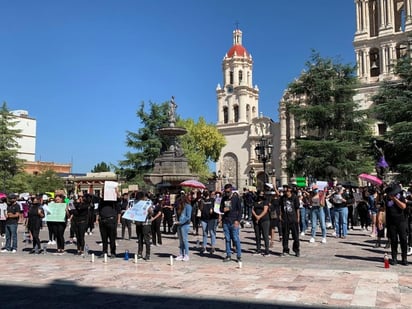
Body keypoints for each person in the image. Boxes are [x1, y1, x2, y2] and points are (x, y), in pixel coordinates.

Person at [384, 183, 408, 266]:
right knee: (393, 240)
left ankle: (404, 258)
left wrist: (394, 199)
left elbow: (403, 206)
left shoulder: (401, 196)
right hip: (391, 222)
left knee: (403, 240)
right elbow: (385, 210)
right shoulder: (386, 198)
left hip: (401, 221)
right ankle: (394, 258)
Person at [220, 183, 242, 262]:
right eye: (225, 192)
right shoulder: (224, 198)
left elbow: (240, 211)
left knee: (235, 239)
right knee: (227, 239)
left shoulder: (236, 199)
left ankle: (239, 256)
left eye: (228, 192)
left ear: (231, 190)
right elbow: (220, 209)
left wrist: (238, 221)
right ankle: (228, 255)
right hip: (226, 221)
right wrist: (223, 210)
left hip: (234, 221)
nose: (227, 193)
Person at [279, 185, 300, 257]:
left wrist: (298, 218)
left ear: (290, 190)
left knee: (296, 237)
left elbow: (297, 208)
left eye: (287, 190)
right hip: (285, 219)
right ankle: (285, 250)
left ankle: (296, 249)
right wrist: (280, 216)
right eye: (284, 191)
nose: (285, 192)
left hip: (293, 219)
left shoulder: (295, 197)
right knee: (285, 236)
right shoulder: (282, 198)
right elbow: (281, 207)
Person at [134, 191, 153, 261]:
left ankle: (147, 254)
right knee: (139, 239)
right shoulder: (136, 202)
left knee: (147, 239)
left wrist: (149, 210)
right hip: (138, 223)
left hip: (146, 223)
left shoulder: (148, 202)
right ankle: (139, 253)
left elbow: (152, 212)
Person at [251, 190, 270, 256]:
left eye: (262, 194)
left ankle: (267, 250)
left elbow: (265, 210)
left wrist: (259, 216)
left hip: (264, 220)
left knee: (265, 235)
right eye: (260, 194)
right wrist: (256, 216)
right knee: (257, 235)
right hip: (256, 220)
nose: (261, 196)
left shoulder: (265, 201)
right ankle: (258, 249)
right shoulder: (255, 201)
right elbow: (252, 209)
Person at [175, 193, 192, 262]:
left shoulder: (188, 206)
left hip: (185, 225)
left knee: (185, 240)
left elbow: (188, 217)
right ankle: (181, 254)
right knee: (181, 240)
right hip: (179, 224)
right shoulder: (179, 207)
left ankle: (186, 254)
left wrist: (181, 222)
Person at [199, 190, 218, 254]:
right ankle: (204, 247)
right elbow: (200, 208)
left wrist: (212, 208)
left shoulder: (212, 200)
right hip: (203, 218)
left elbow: (216, 207)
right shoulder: (202, 200)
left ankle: (213, 247)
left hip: (211, 218)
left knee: (212, 232)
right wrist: (201, 202)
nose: (206, 193)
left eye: (207, 191)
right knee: (204, 233)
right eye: (204, 192)